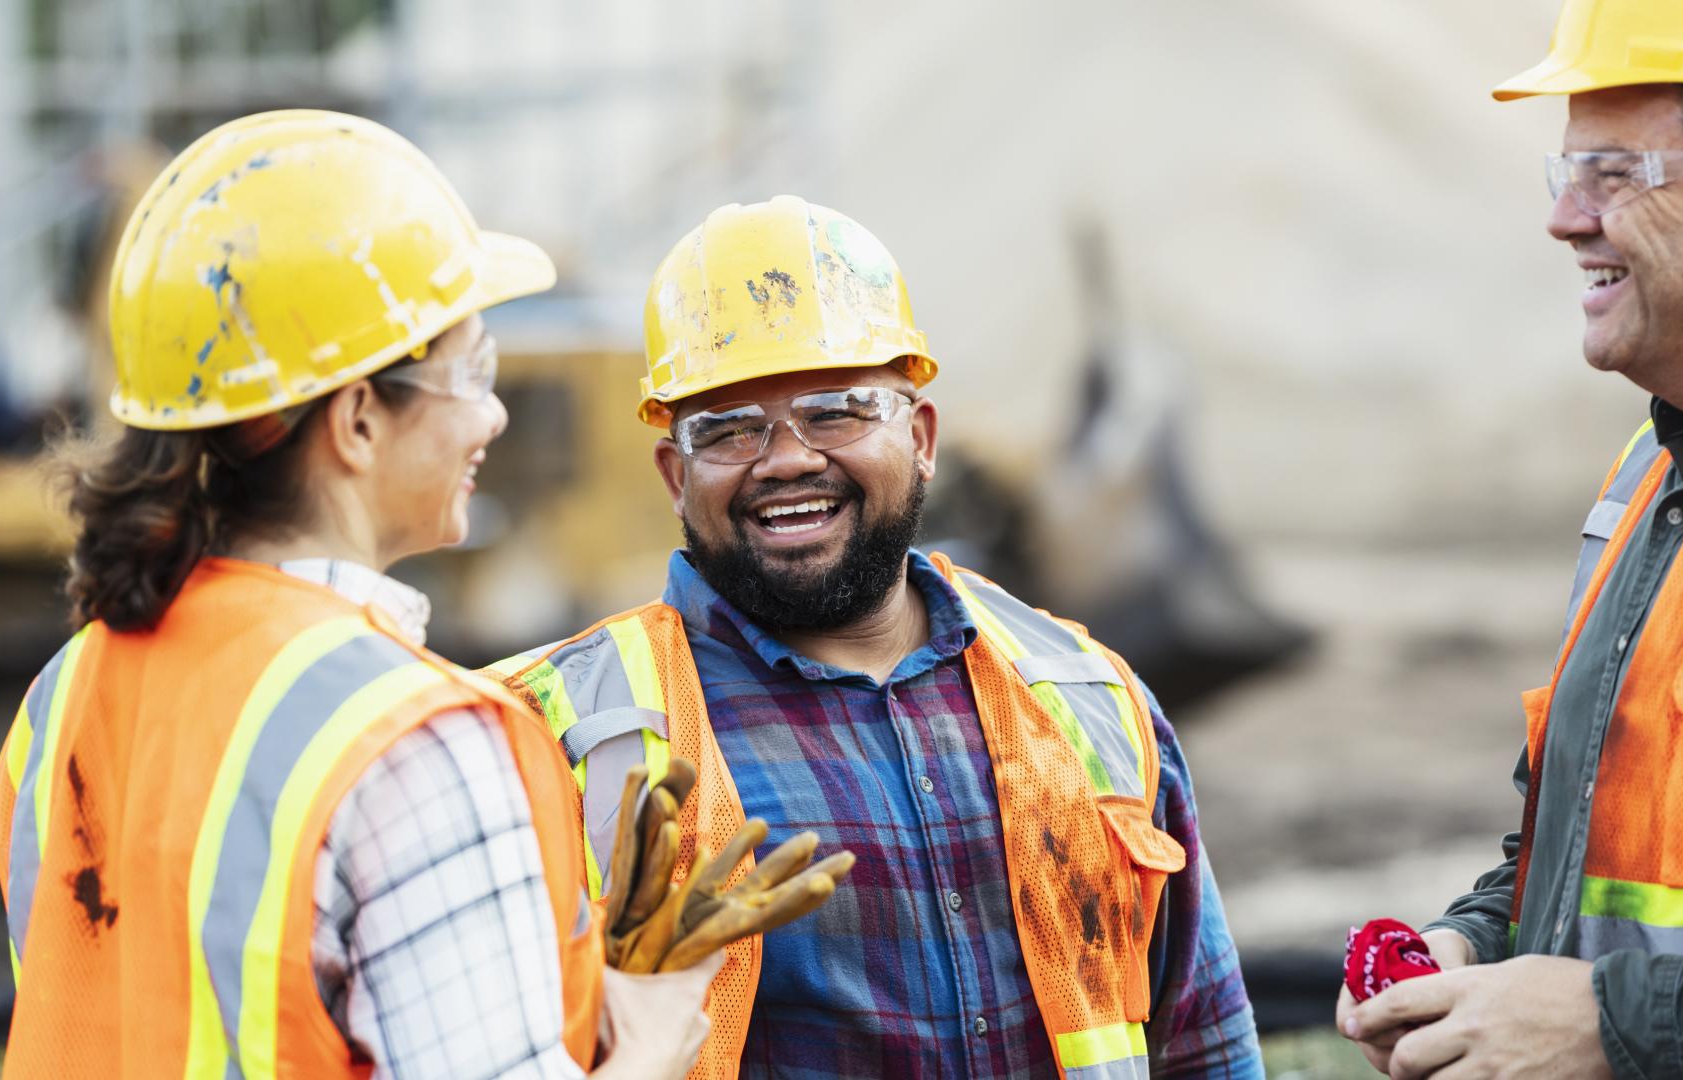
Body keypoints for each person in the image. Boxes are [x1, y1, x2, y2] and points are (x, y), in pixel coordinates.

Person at [0, 110, 720, 1079]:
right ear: (359, 420)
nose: (494, 411)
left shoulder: (67, 690)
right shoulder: (419, 742)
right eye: (474, 370)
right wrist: (657, 1043)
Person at [489, 195, 1262, 1079]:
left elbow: (1204, 1043)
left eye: (835, 411)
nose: (785, 458)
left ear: (922, 437)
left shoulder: (1089, 695)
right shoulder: (552, 737)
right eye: (730, 429)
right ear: (675, 474)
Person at [1337, 3, 1683, 1077]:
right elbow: (1596, 855)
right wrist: (1478, 943)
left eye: (1616, 173)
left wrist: (1606, 1023)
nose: (1564, 218)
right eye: (1564, 173)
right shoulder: (1653, 473)